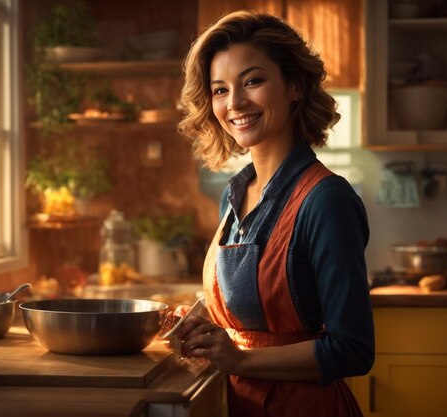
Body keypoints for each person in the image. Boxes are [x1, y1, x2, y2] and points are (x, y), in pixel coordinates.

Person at [176, 10, 374, 417]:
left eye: (253, 81)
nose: (235, 103)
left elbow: (353, 349)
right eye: (219, 90)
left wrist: (242, 360)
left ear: (295, 86)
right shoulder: (234, 195)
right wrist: (201, 325)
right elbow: (247, 320)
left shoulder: (325, 200)